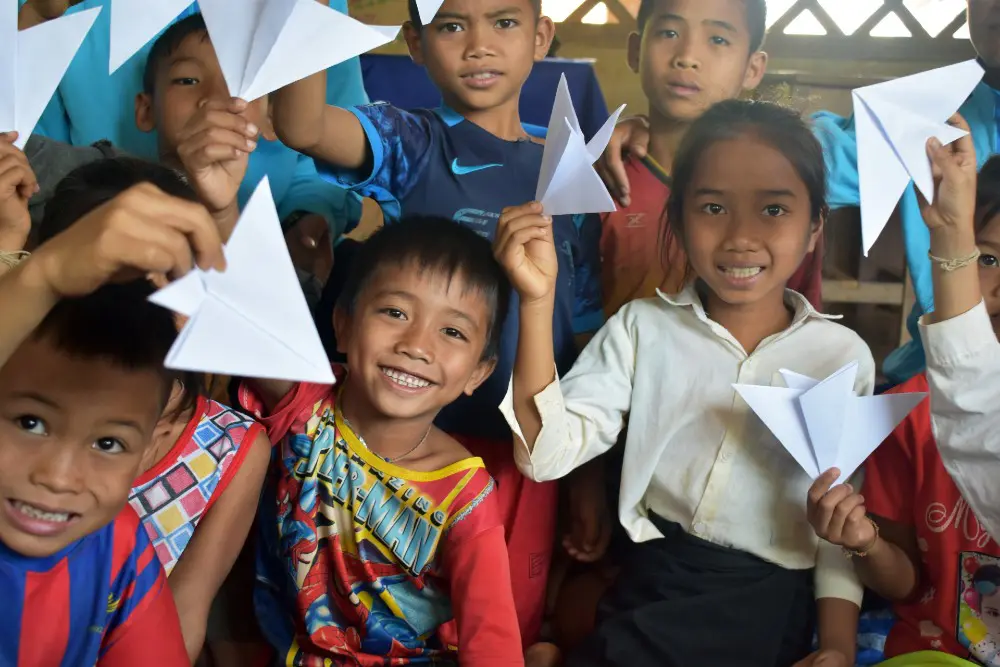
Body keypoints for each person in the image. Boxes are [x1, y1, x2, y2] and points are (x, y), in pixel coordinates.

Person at [269, 0, 604, 649]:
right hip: (408, 457)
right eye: (452, 25)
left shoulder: (570, 169)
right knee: (393, 631)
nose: (478, 44)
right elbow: (302, 124)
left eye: (503, 22)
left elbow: (582, 338)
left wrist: (586, 471)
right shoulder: (411, 139)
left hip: (527, 460)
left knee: (501, 628)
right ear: (416, 45)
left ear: (541, 35)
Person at [496, 100, 872, 667]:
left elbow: (841, 525)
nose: (741, 237)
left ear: (816, 226)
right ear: (676, 218)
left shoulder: (842, 358)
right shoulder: (642, 329)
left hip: (766, 604)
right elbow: (543, 457)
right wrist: (537, 299)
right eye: (713, 207)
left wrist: (838, 647)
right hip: (655, 583)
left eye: (774, 209)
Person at [597, 0, 1000, 385]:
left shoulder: (841, 356)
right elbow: (777, 154)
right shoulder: (927, 116)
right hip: (936, 384)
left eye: (716, 39)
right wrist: (669, 136)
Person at [234, 219, 525, 665]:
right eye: (395, 313)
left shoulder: (465, 497)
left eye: (452, 332)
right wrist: (219, 208)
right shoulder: (307, 402)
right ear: (344, 327)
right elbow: (237, 311)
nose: (416, 345)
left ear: (477, 374)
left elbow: (493, 645)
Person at [24, 156, 273, 663]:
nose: (129, 309)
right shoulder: (12, 384)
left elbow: (181, 618)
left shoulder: (229, 450)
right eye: (101, 276)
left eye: (158, 280)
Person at [807, 120, 1000, 666]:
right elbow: (908, 584)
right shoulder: (913, 409)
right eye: (987, 257)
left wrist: (954, 239)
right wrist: (861, 542)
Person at [18, 0, 364, 249]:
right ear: (145, 109)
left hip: (267, 255)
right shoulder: (46, 10)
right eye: (186, 81)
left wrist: (306, 218)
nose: (216, 99)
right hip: (81, 247)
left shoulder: (312, 6)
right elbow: (27, 150)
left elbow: (330, 136)